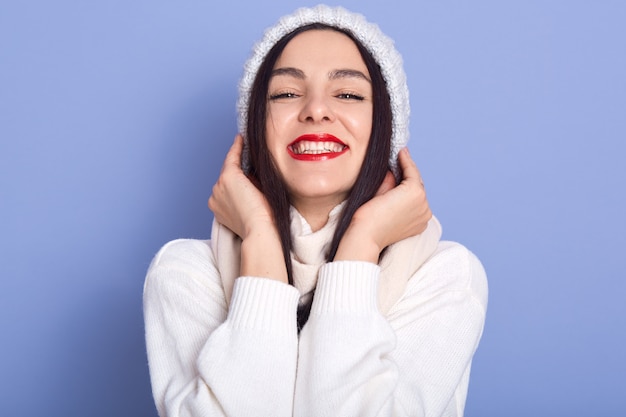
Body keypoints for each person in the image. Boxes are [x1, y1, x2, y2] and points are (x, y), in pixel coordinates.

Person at [143, 5, 488, 416]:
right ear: (255, 126)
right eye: (287, 93)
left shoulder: (445, 276)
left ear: (386, 128)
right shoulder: (183, 274)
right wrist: (260, 237)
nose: (316, 110)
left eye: (348, 94)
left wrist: (362, 241)